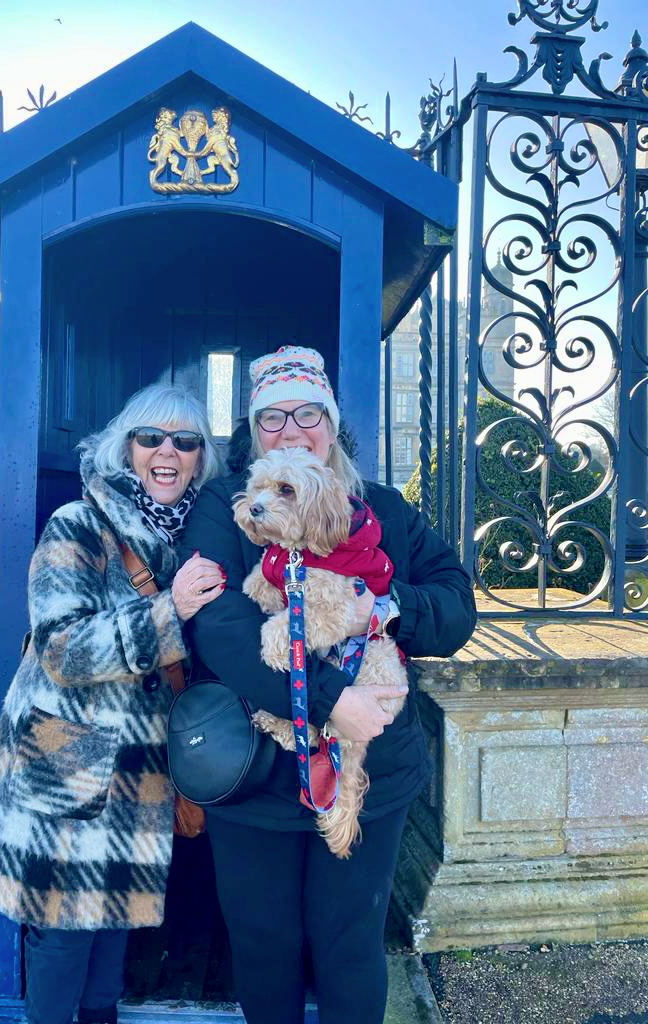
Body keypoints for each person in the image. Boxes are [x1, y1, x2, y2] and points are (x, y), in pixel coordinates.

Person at [180, 346, 477, 1024]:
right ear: (255, 435)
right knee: (263, 944)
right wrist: (329, 700)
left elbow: (456, 603)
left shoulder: (385, 512)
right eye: (271, 418)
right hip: (254, 775)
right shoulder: (228, 513)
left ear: (330, 422)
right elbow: (222, 629)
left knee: (348, 945)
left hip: (369, 772)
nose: (291, 429)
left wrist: (381, 603)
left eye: (306, 412)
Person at [0, 384, 225, 1024]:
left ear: (200, 457)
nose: (166, 452)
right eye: (150, 437)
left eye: (185, 441)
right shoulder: (79, 523)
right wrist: (170, 608)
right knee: (64, 934)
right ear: (125, 448)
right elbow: (62, 648)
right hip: (71, 755)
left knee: (115, 929)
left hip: (142, 767)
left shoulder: (192, 537)